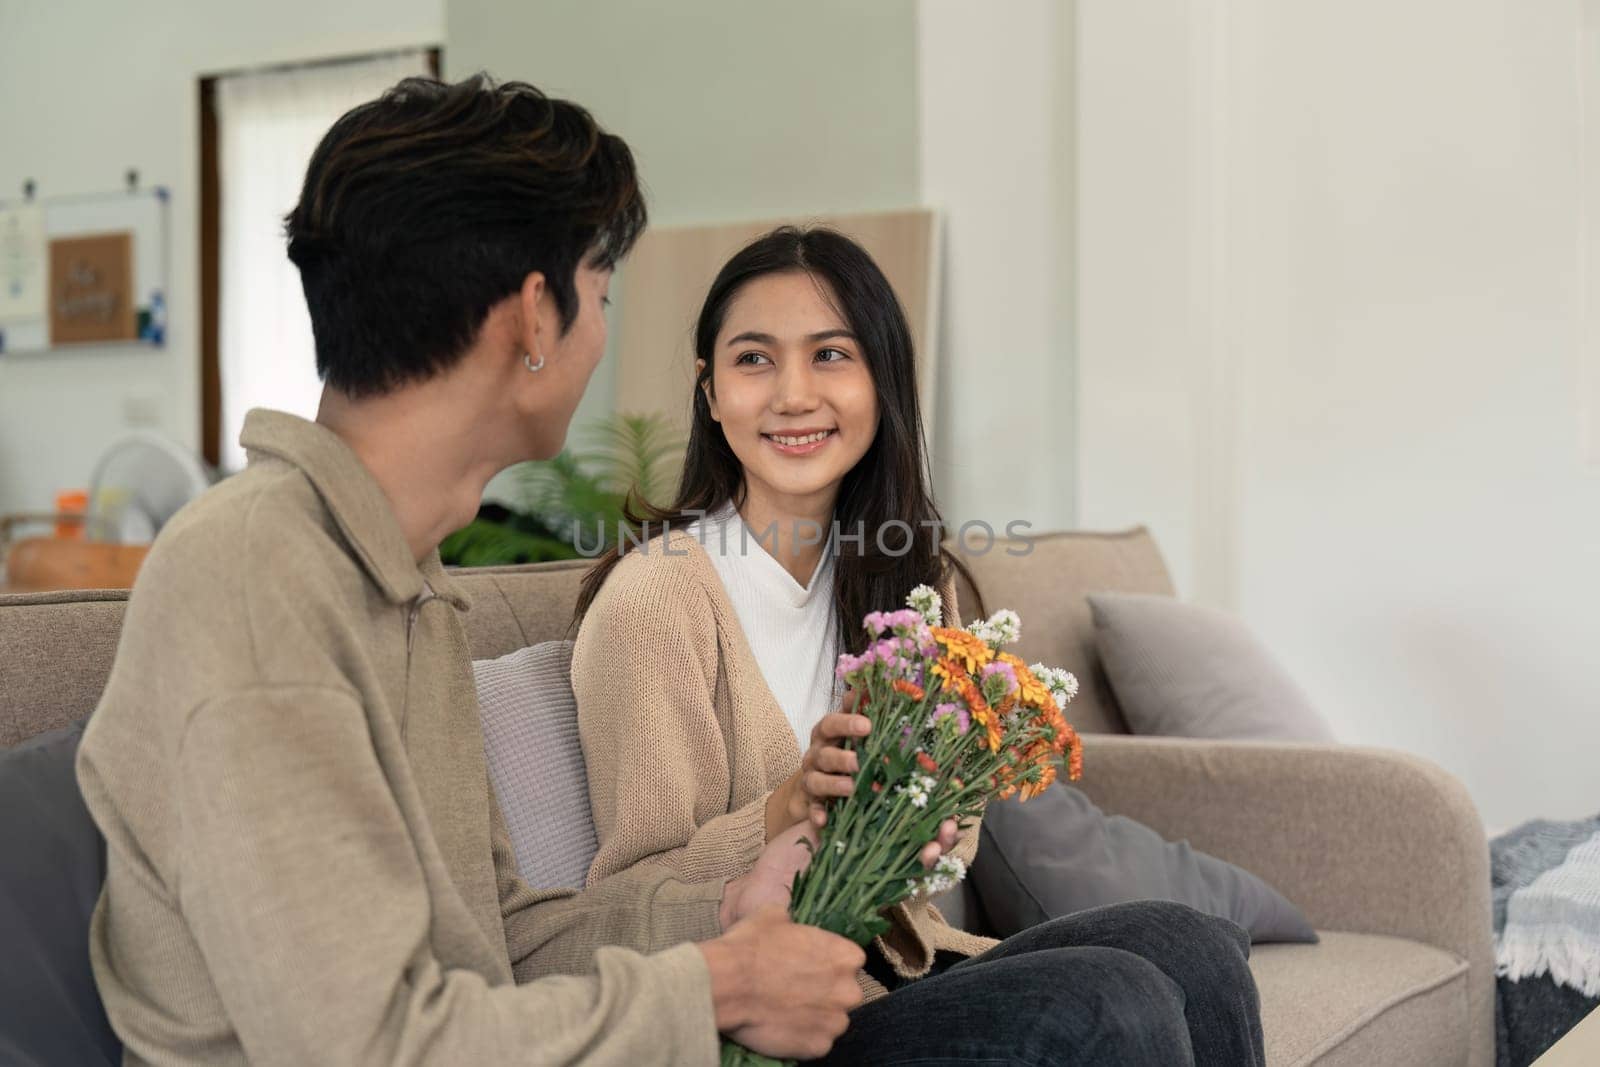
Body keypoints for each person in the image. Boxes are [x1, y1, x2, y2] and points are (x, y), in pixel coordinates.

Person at [74, 76, 896, 1066]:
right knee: (1091, 1003)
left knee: (1127, 959)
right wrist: (716, 984)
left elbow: (502, 942)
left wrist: (719, 907)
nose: (603, 330)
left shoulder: (400, 579)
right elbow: (364, 1043)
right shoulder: (255, 577)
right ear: (535, 319)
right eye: (600, 291)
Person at [571, 226, 1267, 1064]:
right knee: (1111, 1000)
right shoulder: (659, 599)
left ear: (883, 383)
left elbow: (948, 848)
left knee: (1196, 945)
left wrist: (925, 829)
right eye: (754, 359)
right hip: (767, 1028)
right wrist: (783, 811)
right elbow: (623, 907)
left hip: (893, 977)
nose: (792, 393)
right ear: (710, 392)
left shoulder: (906, 583)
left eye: (831, 355)